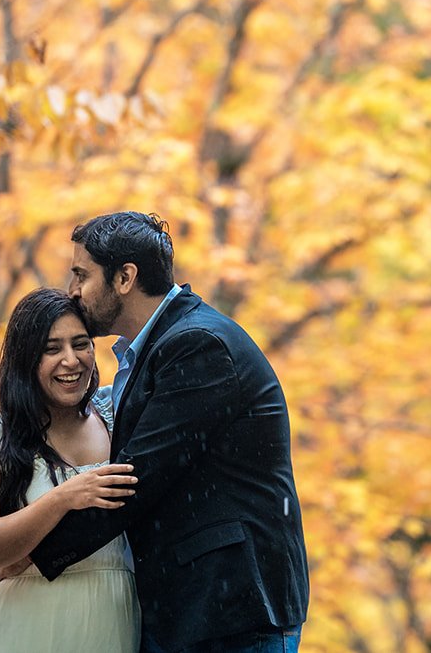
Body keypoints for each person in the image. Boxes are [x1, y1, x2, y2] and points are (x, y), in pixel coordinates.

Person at [20, 212, 310, 653]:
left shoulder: (197, 345)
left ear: (125, 278)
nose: (73, 291)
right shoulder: (156, 348)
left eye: (82, 274)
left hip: (230, 611)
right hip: (190, 609)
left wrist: (32, 554)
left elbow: (135, 480)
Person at [0, 287, 142, 652]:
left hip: (116, 620)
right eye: (52, 349)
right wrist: (62, 499)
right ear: (25, 360)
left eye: (80, 344)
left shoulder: (119, 419)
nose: (71, 360)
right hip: (26, 625)